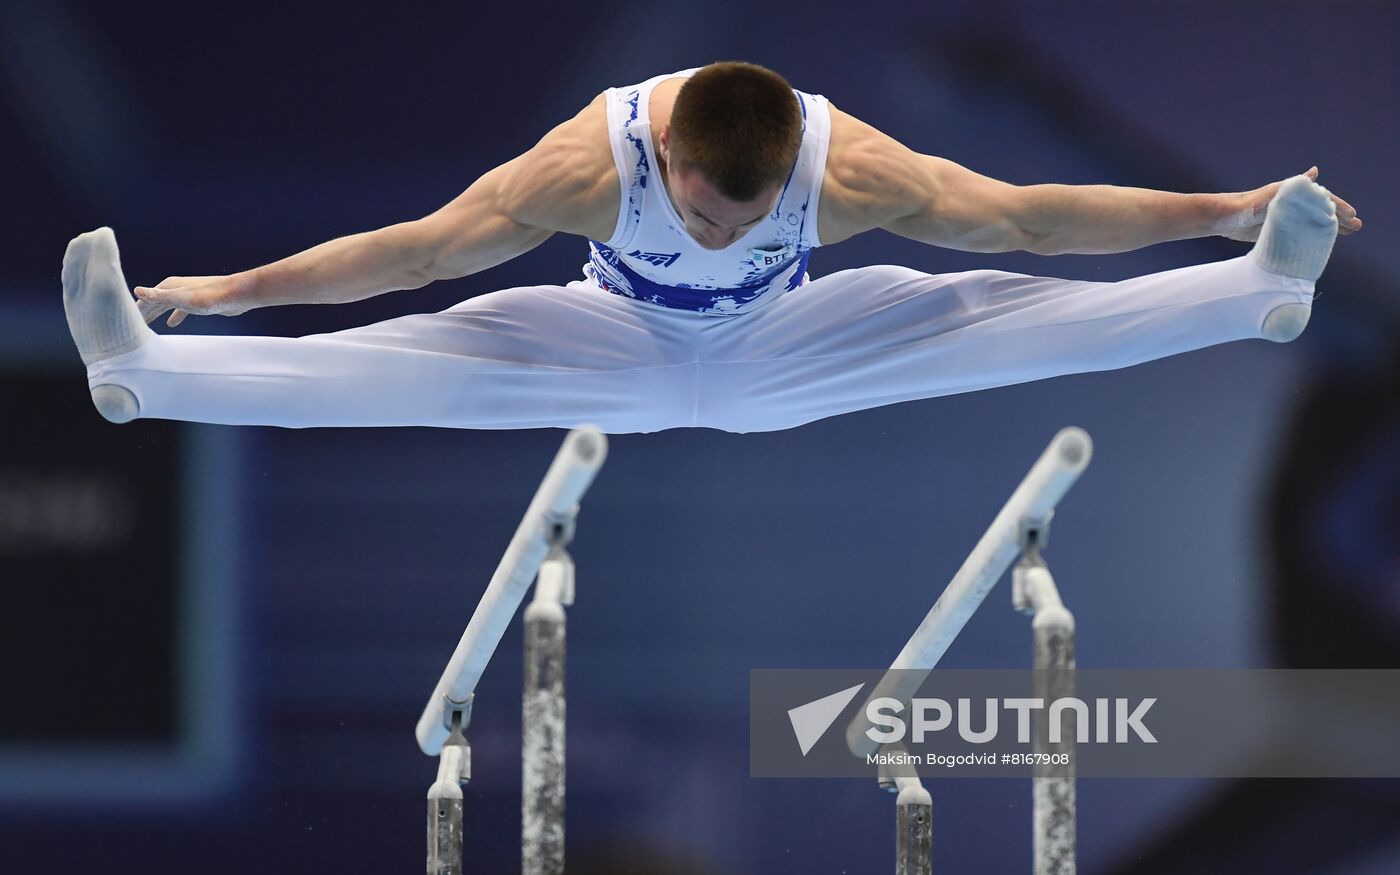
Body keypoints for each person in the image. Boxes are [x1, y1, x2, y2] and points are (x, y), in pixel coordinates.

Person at [61, 62, 1360, 434]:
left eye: (746, 216)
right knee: (422, 361)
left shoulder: (852, 173)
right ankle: (143, 370)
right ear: (665, 155)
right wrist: (229, 291)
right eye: (700, 209)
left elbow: (1030, 215)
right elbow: (415, 256)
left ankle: (1254, 288)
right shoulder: (582, 165)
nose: (719, 227)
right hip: (608, 338)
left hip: (787, 340)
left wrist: (1228, 207)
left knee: (990, 310)